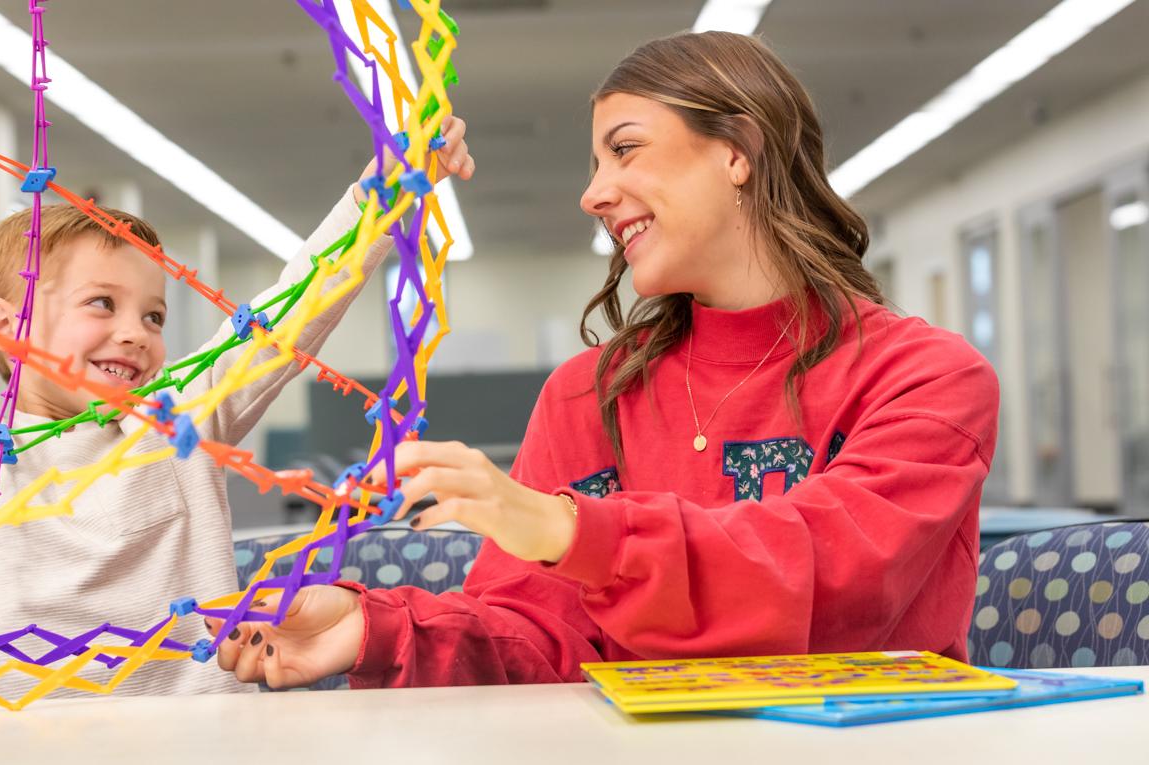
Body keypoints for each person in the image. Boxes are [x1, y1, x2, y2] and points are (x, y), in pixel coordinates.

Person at [205, 32, 999, 690]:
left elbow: (830, 580)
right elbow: (539, 640)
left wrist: (570, 527)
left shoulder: (926, 378)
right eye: (595, 165)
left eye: (624, 150)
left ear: (740, 152)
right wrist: (368, 627)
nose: (593, 193)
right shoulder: (587, 394)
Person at [0, 117, 474, 696]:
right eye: (101, 304)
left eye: (152, 315)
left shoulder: (181, 418)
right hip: (1, 745)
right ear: (5, 326)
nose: (134, 333)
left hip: (194, 738)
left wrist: (384, 192)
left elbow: (293, 311)